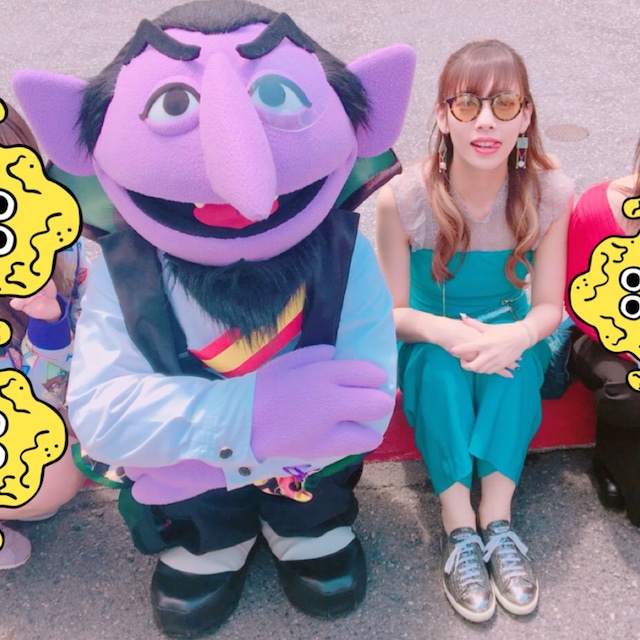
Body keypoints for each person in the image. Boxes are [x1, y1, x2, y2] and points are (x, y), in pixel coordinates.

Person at [13, 1, 415, 636]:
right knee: (196, 516)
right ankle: (213, 540)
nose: (242, 186)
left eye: (276, 96)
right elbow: (100, 415)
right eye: (174, 105)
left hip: (304, 479)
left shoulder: (346, 256)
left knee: (307, 507)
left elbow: (366, 406)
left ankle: (302, 529)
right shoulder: (126, 272)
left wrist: (196, 452)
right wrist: (255, 417)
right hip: (202, 500)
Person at [376, 39, 573, 622]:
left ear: (525, 117)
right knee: (441, 368)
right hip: (428, 335)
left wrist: (516, 336)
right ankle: (459, 524)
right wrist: (446, 333)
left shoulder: (549, 194)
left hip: (511, 330)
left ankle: (498, 520)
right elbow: (392, 314)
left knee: (513, 367)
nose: (485, 121)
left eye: (504, 104)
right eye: (467, 104)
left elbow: (548, 307)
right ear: (443, 117)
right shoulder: (402, 198)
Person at [0, 102, 87, 568]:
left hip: (35, 408)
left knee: (58, 470)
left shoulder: (59, 248)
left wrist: (49, 320)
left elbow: (58, 391)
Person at [566, 140, 640, 526]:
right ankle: (608, 461)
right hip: (601, 338)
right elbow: (579, 302)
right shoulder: (599, 208)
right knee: (630, 393)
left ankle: (612, 464)